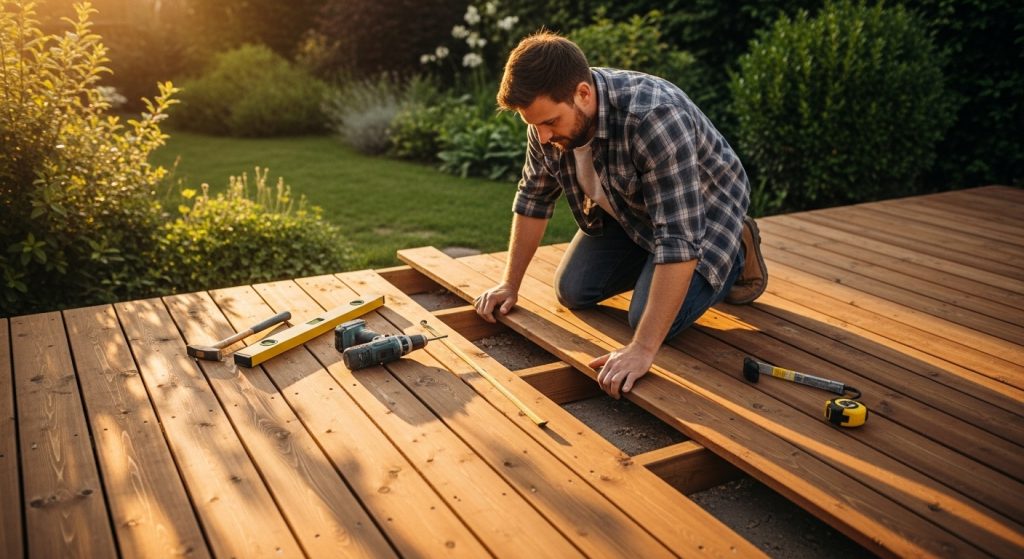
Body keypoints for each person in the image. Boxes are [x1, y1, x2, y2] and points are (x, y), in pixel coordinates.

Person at [474, 31, 767, 399]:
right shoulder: (544, 123)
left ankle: (738, 250)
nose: (543, 136)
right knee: (573, 290)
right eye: (534, 125)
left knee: (647, 319)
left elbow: (678, 238)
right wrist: (509, 285)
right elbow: (534, 199)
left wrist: (643, 349)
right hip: (633, 210)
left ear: (583, 93)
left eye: (550, 122)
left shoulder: (655, 117)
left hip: (705, 215)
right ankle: (652, 261)